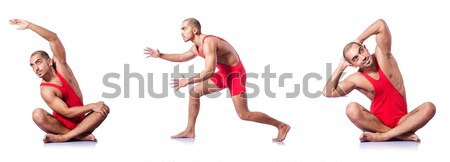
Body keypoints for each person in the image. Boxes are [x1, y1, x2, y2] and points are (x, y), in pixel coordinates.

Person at [144, 18, 290, 142]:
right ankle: (190, 130)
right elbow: (182, 58)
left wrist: (187, 81)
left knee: (244, 114)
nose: (181, 32)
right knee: (194, 92)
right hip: (223, 74)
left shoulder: (209, 42)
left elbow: (209, 71)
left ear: (194, 30)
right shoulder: (196, 47)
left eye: (183, 28)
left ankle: (281, 125)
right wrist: (160, 55)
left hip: (235, 75)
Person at [323, 19, 436, 142]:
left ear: (365, 48)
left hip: (403, 120)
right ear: (352, 65)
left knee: (429, 107)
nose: (363, 57)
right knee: (351, 109)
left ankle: (385, 136)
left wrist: (359, 39)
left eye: (361, 51)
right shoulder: (356, 79)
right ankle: (398, 134)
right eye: (355, 59)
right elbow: (328, 92)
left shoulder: (383, 55)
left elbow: (381, 24)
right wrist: (341, 65)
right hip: (376, 123)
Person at [9, 19, 110, 143]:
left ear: (49, 61)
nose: (36, 68)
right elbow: (67, 113)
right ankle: (71, 135)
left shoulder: (61, 65)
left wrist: (29, 25)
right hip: (59, 125)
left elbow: (53, 38)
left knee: (104, 108)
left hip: (83, 121)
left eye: (38, 62)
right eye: (32, 65)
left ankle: (71, 135)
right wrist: (92, 106)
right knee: (37, 114)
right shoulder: (45, 89)